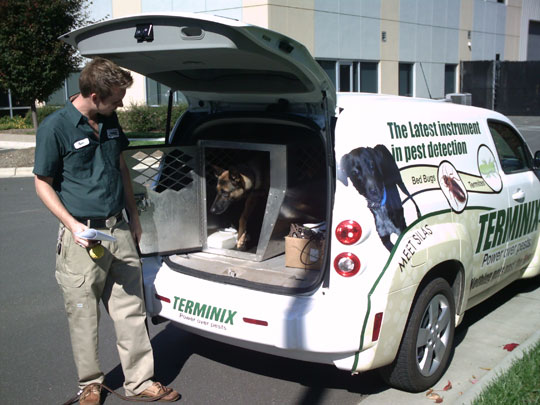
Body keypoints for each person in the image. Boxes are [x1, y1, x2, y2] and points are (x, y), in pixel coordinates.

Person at [33, 57, 179, 404]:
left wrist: (134, 216)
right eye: (116, 98)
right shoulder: (55, 128)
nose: (121, 104)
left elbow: (120, 166)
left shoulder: (110, 120)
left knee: (131, 309)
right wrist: (72, 226)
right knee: (84, 314)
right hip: (81, 237)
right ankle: (90, 384)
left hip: (119, 230)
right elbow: (42, 183)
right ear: (94, 94)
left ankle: (140, 382)